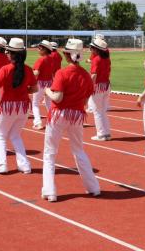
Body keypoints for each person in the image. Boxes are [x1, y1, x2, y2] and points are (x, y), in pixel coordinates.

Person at [43, 39, 100, 202]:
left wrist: (47, 91)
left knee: (50, 153)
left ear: (67, 55)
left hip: (58, 114)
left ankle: (50, 191)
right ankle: (93, 187)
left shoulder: (62, 73)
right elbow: (86, 99)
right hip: (76, 116)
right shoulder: (86, 75)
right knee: (79, 151)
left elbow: (58, 98)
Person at [0, 38, 38, 174]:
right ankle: (24, 165)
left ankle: (2, 164)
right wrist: (23, 90)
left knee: (1, 136)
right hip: (23, 106)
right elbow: (35, 88)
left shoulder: (6, 69)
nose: (6, 53)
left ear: (12, 54)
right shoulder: (28, 69)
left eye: (8, 51)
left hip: (9, 106)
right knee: (15, 135)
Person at [88, 37, 111, 141]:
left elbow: (94, 75)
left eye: (92, 47)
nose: (91, 49)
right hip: (106, 86)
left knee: (97, 111)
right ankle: (106, 133)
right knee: (102, 111)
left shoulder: (96, 59)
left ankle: (101, 134)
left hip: (98, 87)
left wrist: (88, 87)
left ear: (96, 49)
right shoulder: (107, 59)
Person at [32, 40, 54, 130]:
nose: (38, 49)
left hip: (40, 84)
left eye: (40, 48)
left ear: (45, 49)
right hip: (49, 83)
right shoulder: (51, 59)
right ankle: (53, 121)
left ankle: (38, 123)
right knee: (49, 104)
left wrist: (29, 75)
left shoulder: (41, 59)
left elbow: (36, 73)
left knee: (35, 104)